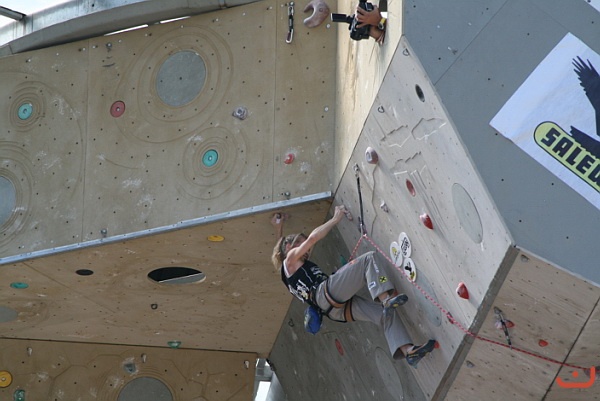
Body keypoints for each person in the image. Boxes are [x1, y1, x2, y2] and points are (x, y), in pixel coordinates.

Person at [271, 205, 436, 367]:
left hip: (333, 311)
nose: (306, 250)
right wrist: (335, 219)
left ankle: (408, 351)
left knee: (385, 314)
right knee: (369, 259)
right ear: (289, 248)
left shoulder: (289, 274)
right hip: (325, 294)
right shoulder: (290, 260)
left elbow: (283, 246)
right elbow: (313, 239)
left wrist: (278, 228)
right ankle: (386, 299)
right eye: (301, 244)